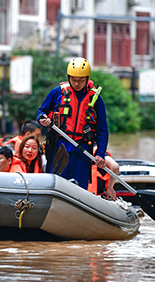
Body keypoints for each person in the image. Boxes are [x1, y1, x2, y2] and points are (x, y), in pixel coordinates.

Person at [37, 57, 109, 190]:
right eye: (74, 79)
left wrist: (100, 152)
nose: (77, 83)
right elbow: (41, 111)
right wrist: (42, 119)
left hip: (82, 149)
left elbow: (102, 130)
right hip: (60, 146)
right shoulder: (57, 92)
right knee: (56, 183)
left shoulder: (95, 99)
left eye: (81, 80)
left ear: (87, 79)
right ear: (68, 77)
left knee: (79, 187)